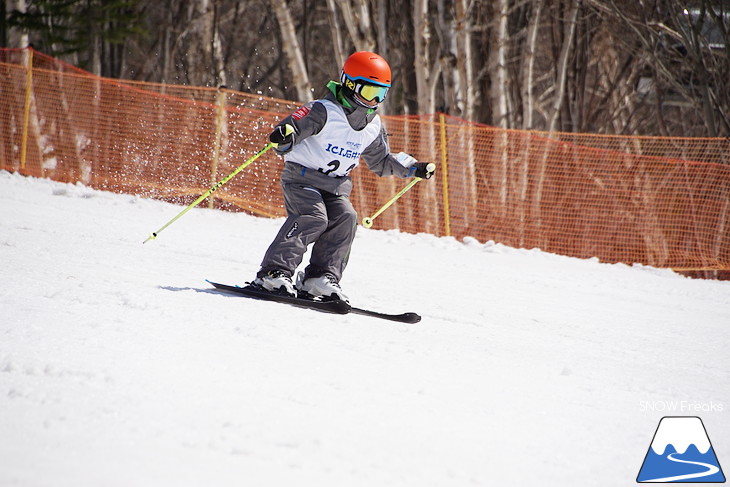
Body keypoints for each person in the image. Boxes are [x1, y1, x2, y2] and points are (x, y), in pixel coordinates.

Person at [252, 51, 435, 302]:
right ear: (349, 83)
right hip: (302, 179)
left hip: (336, 187)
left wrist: (414, 168)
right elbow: (290, 130)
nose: (373, 101)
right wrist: (283, 137)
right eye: (369, 92)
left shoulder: (372, 125)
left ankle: (319, 278)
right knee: (313, 217)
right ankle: (273, 273)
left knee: (346, 218)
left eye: (380, 94)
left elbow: (381, 161)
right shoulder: (322, 111)